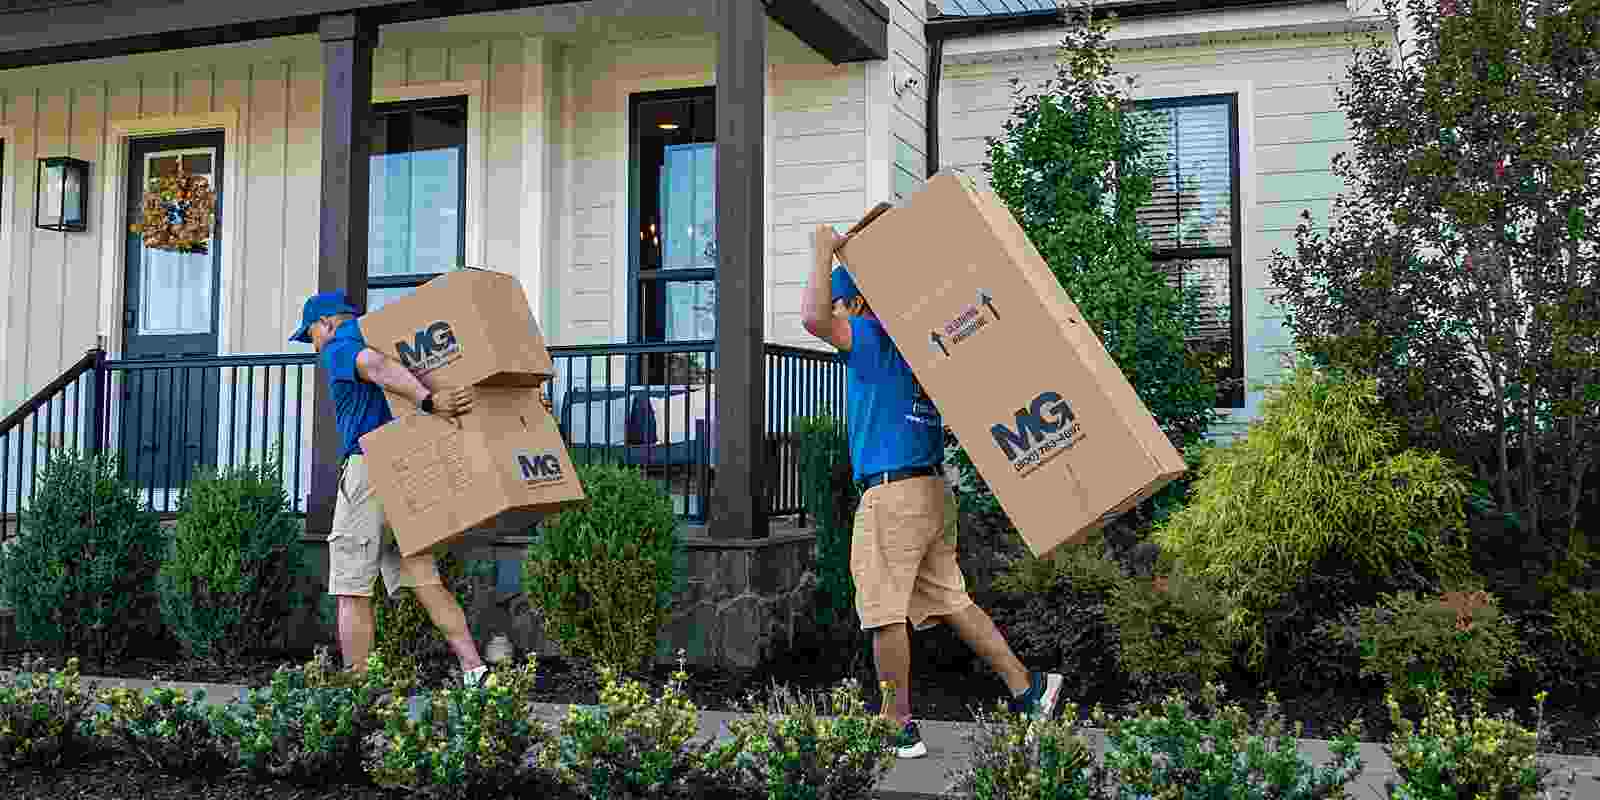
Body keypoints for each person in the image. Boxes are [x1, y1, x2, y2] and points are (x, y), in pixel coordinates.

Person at [801, 225, 1065, 759]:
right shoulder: (925, 346)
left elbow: (812, 317)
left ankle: (896, 723)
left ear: (855, 301)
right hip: (932, 491)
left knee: (882, 610)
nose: (841, 311)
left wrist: (821, 249)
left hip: (893, 493)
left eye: (845, 299)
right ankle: (1028, 690)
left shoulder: (873, 338)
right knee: (950, 600)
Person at [290, 290, 488, 687]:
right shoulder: (393, 347)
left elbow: (375, 366)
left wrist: (429, 402)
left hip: (370, 471)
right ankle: (474, 670)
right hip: (407, 470)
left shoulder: (342, 346)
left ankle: (357, 688)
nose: (312, 345)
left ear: (327, 323)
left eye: (310, 334)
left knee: (350, 586)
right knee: (425, 579)